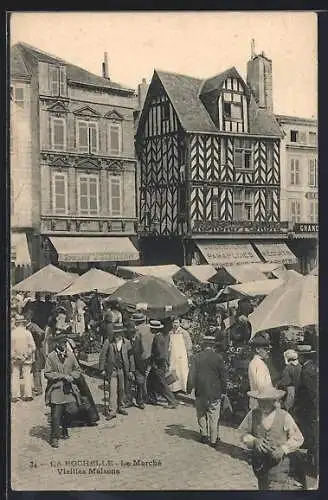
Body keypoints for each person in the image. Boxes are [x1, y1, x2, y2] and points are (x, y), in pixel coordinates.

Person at [239, 387, 304, 490]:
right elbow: (242, 433)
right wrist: (254, 441)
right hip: (260, 466)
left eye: (267, 401)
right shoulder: (253, 414)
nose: (263, 404)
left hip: (279, 467)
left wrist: (283, 449)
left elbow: (298, 437)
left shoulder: (284, 416)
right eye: (260, 401)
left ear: (274, 401)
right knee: (263, 486)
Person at [186, 339, 227, 447]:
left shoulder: (196, 357)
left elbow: (191, 375)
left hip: (200, 391)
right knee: (214, 416)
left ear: (203, 345)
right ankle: (213, 440)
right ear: (213, 346)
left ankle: (204, 435)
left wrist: (189, 388)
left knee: (201, 413)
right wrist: (224, 390)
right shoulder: (218, 358)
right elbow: (223, 376)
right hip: (214, 392)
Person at [44, 338, 82, 448]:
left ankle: (64, 427)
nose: (64, 346)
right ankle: (54, 437)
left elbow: (78, 369)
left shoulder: (70, 355)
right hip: (56, 389)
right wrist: (62, 376)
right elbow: (47, 373)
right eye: (61, 344)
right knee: (56, 415)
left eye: (65, 344)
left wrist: (72, 376)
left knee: (72, 411)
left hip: (69, 389)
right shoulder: (51, 356)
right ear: (57, 344)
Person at [99, 323, 135, 420]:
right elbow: (102, 355)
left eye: (119, 333)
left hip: (123, 369)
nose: (117, 335)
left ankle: (121, 407)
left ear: (122, 333)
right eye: (116, 333)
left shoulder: (127, 342)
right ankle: (112, 410)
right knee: (112, 389)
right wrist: (102, 369)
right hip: (112, 370)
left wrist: (131, 370)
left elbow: (131, 357)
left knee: (122, 389)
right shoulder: (108, 342)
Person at [295, 345, 318, 474]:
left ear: (304, 356)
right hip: (310, 408)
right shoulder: (313, 367)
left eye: (299, 355)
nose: (298, 357)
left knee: (310, 433)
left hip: (308, 408)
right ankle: (311, 458)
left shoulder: (306, 370)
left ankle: (312, 460)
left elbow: (311, 391)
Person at [148, 320, 178, 409]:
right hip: (161, 362)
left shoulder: (157, 337)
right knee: (150, 381)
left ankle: (172, 401)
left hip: (158, 363)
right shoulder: (164, 336)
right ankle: (152, 398)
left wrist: (154, 361)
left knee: (162, 383)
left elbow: (159, 352)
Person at [11, 314, 36, 402]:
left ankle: (15, 395)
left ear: (16, 323)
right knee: (27, 376)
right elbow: (33, 347)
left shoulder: (12, 333)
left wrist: (15, 355)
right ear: (23, 323)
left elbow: (10, 348)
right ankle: (28, 394)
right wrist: (26, 355)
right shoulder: (27, 333)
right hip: (26, 357)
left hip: (15, 358)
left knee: (15, 375)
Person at [248, 333, 273, 409]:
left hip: (255, 402)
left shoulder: (253, 362)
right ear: (257, 349)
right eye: (265, 349)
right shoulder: (260, 364)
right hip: (262, 404)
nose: (268, 351)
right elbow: (262, 387)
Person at [25, 311, 46, 396]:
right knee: (34, 370)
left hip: (36, 351)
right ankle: (37, 387)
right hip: (33, 350)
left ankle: (38, 389)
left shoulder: (33, 326)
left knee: (36, 370)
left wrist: (37, 342)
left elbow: (42, 333)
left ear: (28, 319)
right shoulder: (29, 327)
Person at [167, 318, 190, 393]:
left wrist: (187, 354)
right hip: (173, 355)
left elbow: (189, 344)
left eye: (176, 322)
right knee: (174, 370)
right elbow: (169, 345)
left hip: (182, 355)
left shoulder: (184, 333)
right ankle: (174, 388)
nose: (175, 324)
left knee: (183, 371)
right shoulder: (170, 333)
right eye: (173, 323)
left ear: (180, 323)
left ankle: (184, 388)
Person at [277, 349, 302, 415]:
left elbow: (285, 383)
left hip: (291, 393)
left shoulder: (287, 368)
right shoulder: (301, 367)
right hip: (300, 393)